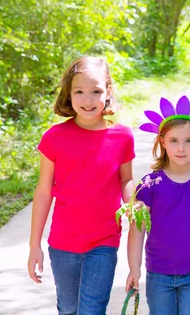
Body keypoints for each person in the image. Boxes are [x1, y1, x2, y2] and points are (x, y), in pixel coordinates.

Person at [27, 56, 136, 314]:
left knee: (92, 309)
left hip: (104, 240)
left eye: (96, 92)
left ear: (107, 92)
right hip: (63, 242)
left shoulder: (122, 136)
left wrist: (133, 205)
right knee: (69, 308)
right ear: (69, 93)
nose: (88, 100)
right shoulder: (54, 138)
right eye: (80, 92)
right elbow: (44, 192)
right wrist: (34, 245)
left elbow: (126, 180)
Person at [126, 96, 190, 315]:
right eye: (174, 141)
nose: (181, 148)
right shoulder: (149, 184)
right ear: (163, 141)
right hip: (159, 275)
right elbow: (137, 229)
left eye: (188, 141)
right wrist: (134, 269)